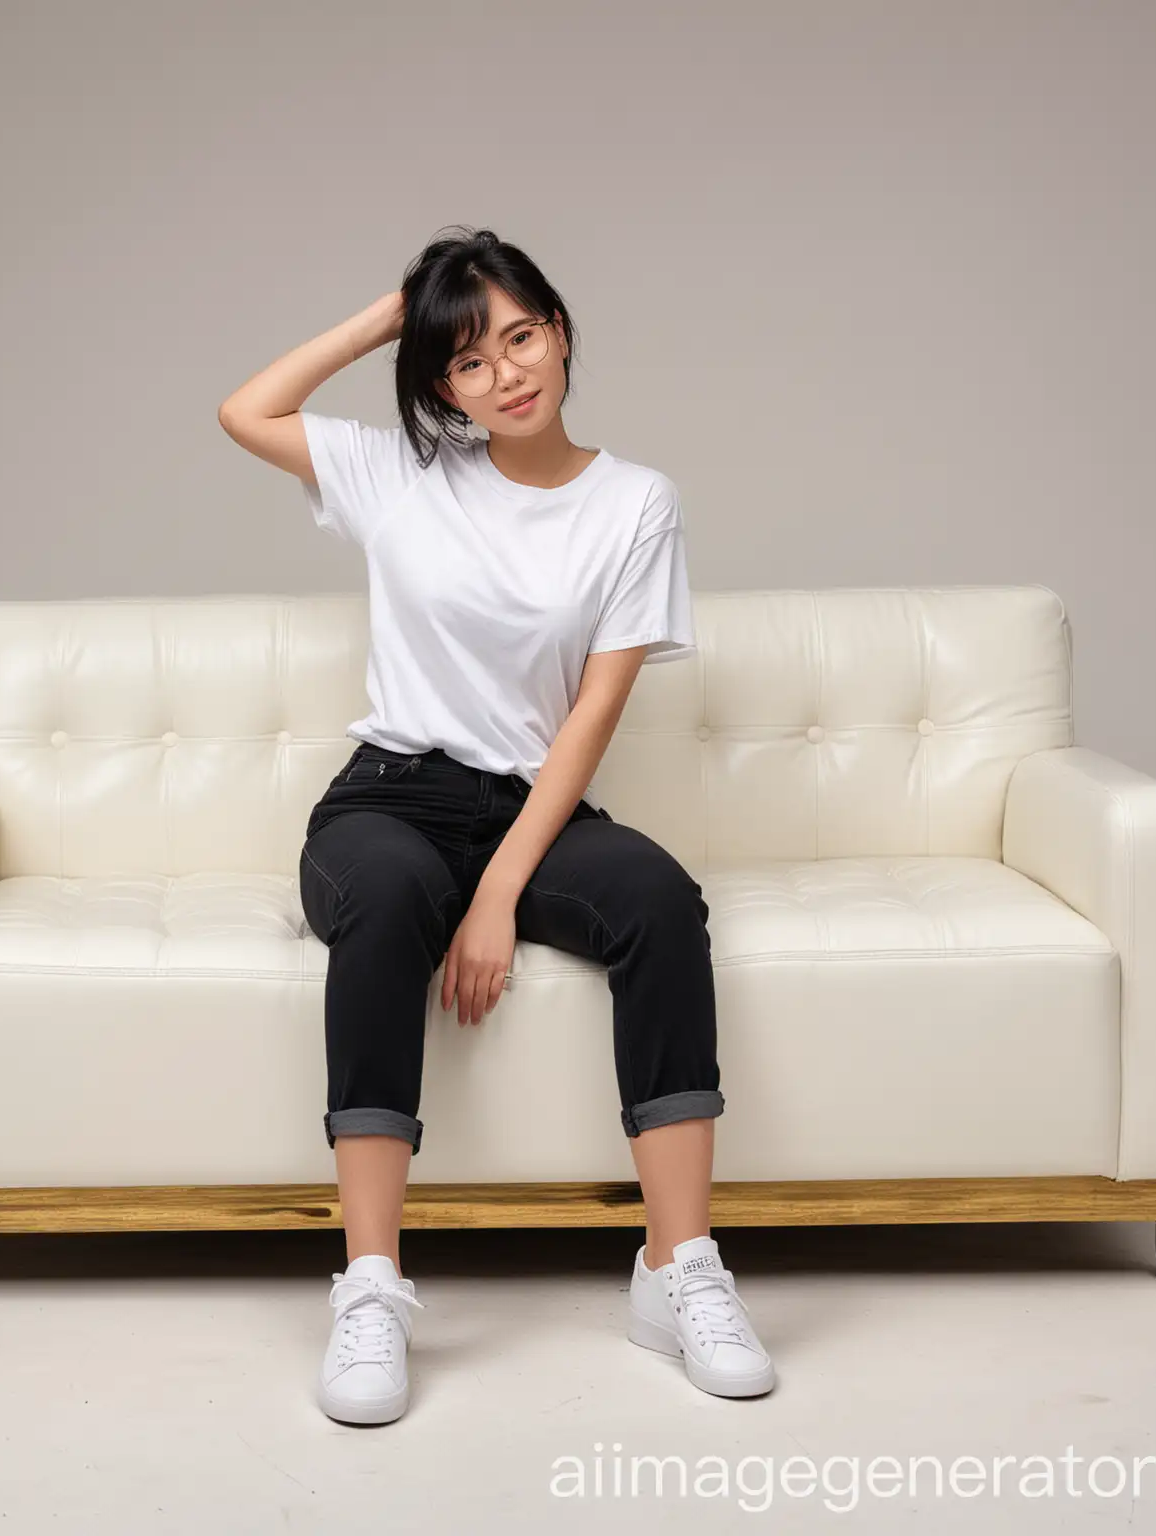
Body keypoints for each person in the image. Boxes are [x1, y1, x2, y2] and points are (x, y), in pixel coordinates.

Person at [218, 225, 775, 1424]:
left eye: (521, 335)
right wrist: (400, 310)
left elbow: (589, 720)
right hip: (386, 796)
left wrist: (497, 894)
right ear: (439, 387)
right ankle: (370, 1291)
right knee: (382, 901)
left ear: (561, 331)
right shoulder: (398, 476)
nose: (508, 372)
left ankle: (679, 1270)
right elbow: (245, 409)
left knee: (661, 903)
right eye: (468, 361)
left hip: (531, 802)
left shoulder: (636, 502)